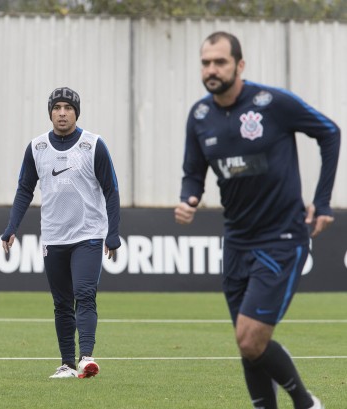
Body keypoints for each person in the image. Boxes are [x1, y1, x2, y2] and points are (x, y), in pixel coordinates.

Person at [175, 31, 340, 409]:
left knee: (250, 340)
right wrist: (189, 198)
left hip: (281, 239)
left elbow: (330, 133)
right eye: (205, 63)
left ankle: (305, 402)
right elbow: (192, 172)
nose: (211, 69)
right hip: (236, 241)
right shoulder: (200, 116)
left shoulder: (273, 103)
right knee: (245, 340)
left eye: (220, 62)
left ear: (240, 65)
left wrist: (322, 201)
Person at [1, 87, 120, 379]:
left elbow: (111, 190)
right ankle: (67, 364)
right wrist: (11, 227)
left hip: (89, 235)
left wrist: (112, 233)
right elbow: (24, 190)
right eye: (57, 108)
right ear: (50, 112)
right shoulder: (37, 148)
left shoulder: (94, 145)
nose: (62, 112)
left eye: (68, 107)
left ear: (76, 112)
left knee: (85, 294)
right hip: (54, 238)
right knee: (62, 302)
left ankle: (86, 358)